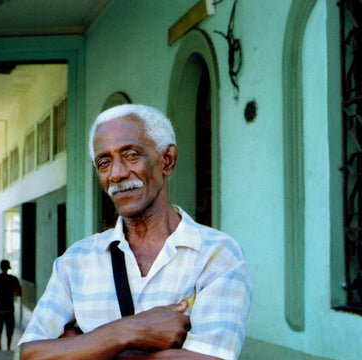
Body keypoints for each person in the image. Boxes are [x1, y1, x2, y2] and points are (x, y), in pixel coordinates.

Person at [19, 104, 252, 360]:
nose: (117, 174)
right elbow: (31, 355)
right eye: (104, 162)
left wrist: (84, 345)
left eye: (131, 155)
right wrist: (128, 331)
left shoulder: (216, 254)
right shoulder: (75, 261)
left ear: (167, 160)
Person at [0, 259, 22, 351]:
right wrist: (12, 292)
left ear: (0, 267)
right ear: (8, 268)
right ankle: (8, 347)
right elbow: (19, 293)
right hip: (9, 307)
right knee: (9, 328)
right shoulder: (14, 279)